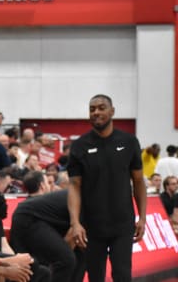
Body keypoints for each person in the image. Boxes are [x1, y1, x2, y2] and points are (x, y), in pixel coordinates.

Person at [67, 94, 146, 282]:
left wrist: (142, 217)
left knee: (122, 275)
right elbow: (74, 186)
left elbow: (138, 181)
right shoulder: (79, 146)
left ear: (112, 111)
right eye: (92, 109)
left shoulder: (129, 142)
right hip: (91, 226)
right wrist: (75, 223)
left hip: (123, 224)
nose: (96, 112)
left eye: (102, 108)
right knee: (95, 277)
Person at [10, 190, 86, 282]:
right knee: (66, 259)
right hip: (29, 217)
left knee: (82, 254)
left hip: (45, 221)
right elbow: (71, 238)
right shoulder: (88, 200)